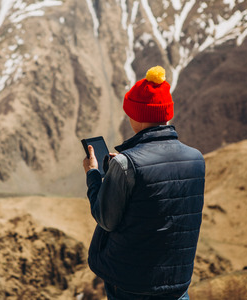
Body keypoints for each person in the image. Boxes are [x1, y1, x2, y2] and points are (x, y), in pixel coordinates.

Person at [82, 66, 205, 300]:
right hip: (177, 283)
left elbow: (105, 219)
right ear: (167, 114)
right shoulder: (196, 159)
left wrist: (94, 175)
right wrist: (122, 168)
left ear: (136, 116)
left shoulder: (127, 165)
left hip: (133, 284)